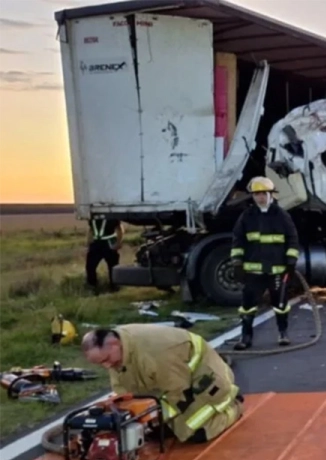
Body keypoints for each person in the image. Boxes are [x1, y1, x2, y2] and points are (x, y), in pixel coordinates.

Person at [81, 324, 243, 444]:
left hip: (204, 380)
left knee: (196, 433)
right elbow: (123, 391)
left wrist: (153, 416)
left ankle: (233, 406)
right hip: (174, 381)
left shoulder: (157, 353)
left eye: (107, 360)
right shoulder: (118, 352)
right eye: (100, 363)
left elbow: (178, 392)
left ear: (114, 344)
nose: (107, 366)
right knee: (158, 432)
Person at [230, 176, 301, 350]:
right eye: (256, 194)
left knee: (280, 304)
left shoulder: (281, 215)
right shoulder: (247, 216)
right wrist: (237, 262)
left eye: (263, 194)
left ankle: (283, 333)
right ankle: (246, 337)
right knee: (247, 306)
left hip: (276, 270)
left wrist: (291, 261)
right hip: (253, 272)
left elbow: (292, 238)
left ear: (271, 195)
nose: (260, 197)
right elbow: (238, 240)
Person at [85, 216, 124, 292]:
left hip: (109, 243)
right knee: (90, 266)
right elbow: (91, 229)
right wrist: (89, 241)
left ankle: (114, 287)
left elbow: (119, 229)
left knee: (113, 267)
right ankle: (92, 287)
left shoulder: (111, 215)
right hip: (96, 244)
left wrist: (118, 242)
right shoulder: (93, 216)